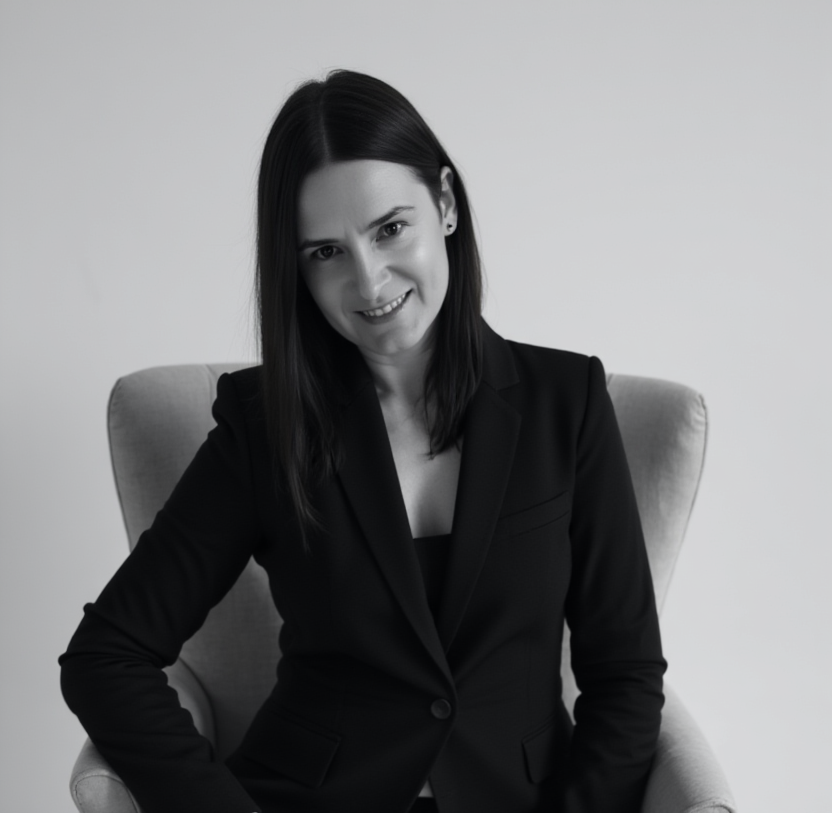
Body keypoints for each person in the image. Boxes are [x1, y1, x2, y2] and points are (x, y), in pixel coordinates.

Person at [60, 70, 666, 813]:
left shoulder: (565, 402)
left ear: (444, 203)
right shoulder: (265, 422)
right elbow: (105, 656)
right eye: (325, 252)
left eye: (388, 228)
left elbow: (625, 673)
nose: (369, 280)